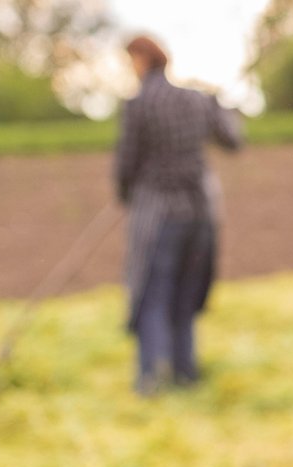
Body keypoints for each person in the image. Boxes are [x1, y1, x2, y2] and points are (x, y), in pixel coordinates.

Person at [114, 34, 242, 395]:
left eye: (130, 60)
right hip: (201, 215)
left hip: (158, 214)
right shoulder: (195, 100)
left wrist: (126, 195)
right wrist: (220, 105)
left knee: (153, 294)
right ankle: (186, 373)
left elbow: (126, 162)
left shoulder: (139, 105)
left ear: (141, 59)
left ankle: (152, 376)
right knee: (184, 296)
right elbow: (233, 141)